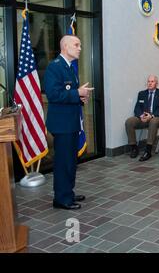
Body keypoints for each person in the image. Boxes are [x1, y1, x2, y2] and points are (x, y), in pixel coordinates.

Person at [44, 35, 94, 210]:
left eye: (80, 44)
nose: (80, 48)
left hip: (71, 123)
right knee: (64, 162)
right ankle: (61, 199)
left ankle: (68, 193)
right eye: (76, 45)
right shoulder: (54, 67)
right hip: (62, 124)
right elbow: (53, 95)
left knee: (71, 161)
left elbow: (69, 94)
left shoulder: (70, 67)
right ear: (65, 46)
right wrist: (77, 93)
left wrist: (81, 98)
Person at [125, 75, 159, 161]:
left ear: (156, 83)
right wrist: (141, 115)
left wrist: (151, 115)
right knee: (129, 121)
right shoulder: (141, 94)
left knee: (153, 121)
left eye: (152, 81)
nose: (150, 83)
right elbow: (137, 108)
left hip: (157, 117)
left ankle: (148, 150)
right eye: (149, 81)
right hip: (144, 117)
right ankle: (134, 147)